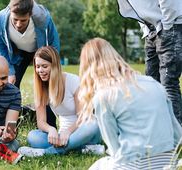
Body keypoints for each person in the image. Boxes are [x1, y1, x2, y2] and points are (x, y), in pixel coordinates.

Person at [77, 38, 182, 170]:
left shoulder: (104, 96)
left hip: (133, 164)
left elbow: (114, 148)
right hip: (168, 162)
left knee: (98, 166)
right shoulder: (154, 83)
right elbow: (178, 134)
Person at [17, 46, 101, 157]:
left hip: (83, 131)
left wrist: (68, 132)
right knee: (33, 136)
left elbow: (83, 117)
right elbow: (41, 122)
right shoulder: (41, 87)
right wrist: (51, 129)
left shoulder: (73, 81)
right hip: (62, 136)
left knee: (93, 124)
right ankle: (83, 149)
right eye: (37, 67)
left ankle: (45, 153)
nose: (40, 71)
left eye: (44, 66)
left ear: (55, 66)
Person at [0, 0, 59, 128]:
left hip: (39, 51)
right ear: (10, 12)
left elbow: (53, 41)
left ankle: (50, 127)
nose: (18, 24)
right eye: (15, 19)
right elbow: (0, 47)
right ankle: (7, 128)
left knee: (45, 86)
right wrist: (10, 71)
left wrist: (52, 65)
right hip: (17, 54)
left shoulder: (42, 18)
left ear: (30, 14)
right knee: (10, 87)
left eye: (23, 21)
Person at [117, 0, 182, 123]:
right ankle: (159, 127)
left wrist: (167, 26)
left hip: (171, 24)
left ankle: (177, 133)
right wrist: (146, 29)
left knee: (168, 82)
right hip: (153, 29)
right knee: (151, 82)